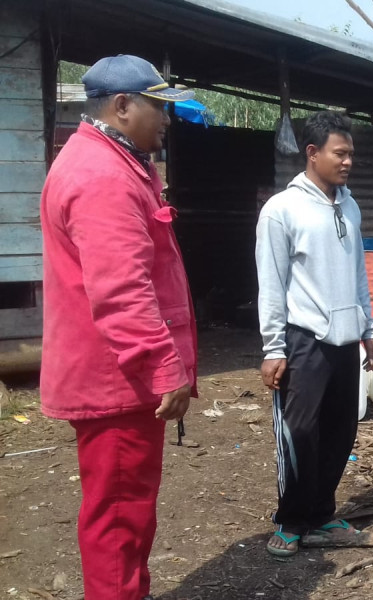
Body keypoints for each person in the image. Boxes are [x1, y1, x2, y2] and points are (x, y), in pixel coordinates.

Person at [39, 54, 196, 600]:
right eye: (160, 108)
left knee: (126, 512)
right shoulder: (104, 176)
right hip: (118, 380)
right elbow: (122, 291)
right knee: (118, 519)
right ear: (122, 106)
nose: (167, 120)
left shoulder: (114, 162)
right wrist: (164, 370)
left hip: (115, 374)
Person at [256, 110, 373, 557]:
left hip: (347, 339)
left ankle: (322, 517)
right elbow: (270, 283)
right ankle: (291, 520)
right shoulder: (281, 210)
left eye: (351, 154)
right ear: (312, 153)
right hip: (303, 340)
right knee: (299, 432)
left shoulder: (349, 204)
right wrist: (273, 348)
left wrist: (368, 328)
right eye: (340, 153)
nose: (348, 162)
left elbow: (357, 274)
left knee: (340, 431)